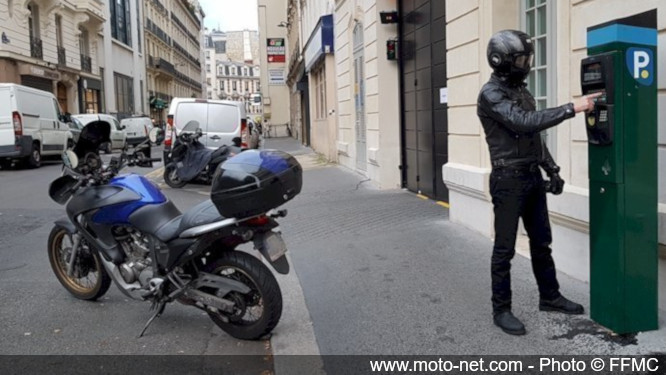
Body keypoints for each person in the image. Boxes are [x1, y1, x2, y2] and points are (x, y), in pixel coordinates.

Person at [477, 30, 601, 336]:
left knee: (541, 242)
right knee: (504, 249)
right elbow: (524, 122)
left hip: (531, 176)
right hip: (507, 179)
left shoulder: (521, 91)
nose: (526, 63)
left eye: (527, 57)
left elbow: (533, 136)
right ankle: (501, 309)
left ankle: (550, 296)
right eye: (520, 58)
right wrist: (574, 107)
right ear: (501, 61)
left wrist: (552, 169)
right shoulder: (491, 94)